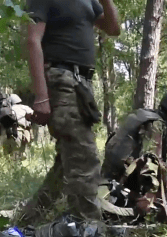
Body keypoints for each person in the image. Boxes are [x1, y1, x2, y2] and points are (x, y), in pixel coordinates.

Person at [18, 0, 120, 225]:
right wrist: (41, 96)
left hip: (82, 84)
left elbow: (114, 29)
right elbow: (33, 41)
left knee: (67, 163)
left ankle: (28, 223)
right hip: (60, 79)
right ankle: (89, 233)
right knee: (84, 159)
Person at [101, 88, 167, 181]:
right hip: (123, 182)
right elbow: (151, 166)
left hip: (108, 176)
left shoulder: (143, 115)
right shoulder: (155, 125)